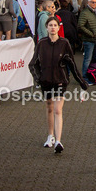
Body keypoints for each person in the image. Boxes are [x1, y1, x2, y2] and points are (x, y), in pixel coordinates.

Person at [31, 15, 87, 154]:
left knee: (57, 110)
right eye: (50, 25)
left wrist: (82, 82)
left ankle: (58, 141)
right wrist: (38, 78)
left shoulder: (64, 43)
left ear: (59, 27)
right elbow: (33, 64)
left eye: (55, 25)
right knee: (49, 108)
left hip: (60, 80)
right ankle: (50, 135)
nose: (53, 28)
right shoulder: (42, 43)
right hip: (45, 81)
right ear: (46, 28)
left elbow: (72, 64)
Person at [77, 0, 96, 81]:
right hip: (89, 40)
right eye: (93, 2)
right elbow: (80, 25)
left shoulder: (95, 12)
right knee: (87, 59)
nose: (94, 4)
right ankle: (85, 77)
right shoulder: (85, 13)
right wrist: (91, 34)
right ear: (88, 3)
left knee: (94, 59)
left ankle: (93, 74)